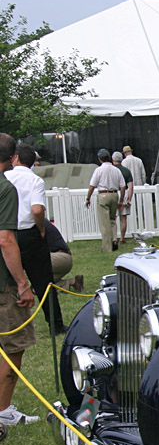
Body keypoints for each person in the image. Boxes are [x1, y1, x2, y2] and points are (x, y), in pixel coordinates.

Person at [0, 133, 39, 426]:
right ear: (13, 159)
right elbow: (5, 240)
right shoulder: (5, 188)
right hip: (3, 284)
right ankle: (3, 412)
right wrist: (23, 284)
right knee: (13, 346)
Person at [7, 144, 64, 333]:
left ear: (15, 158)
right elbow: (37, 209)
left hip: (8, 232)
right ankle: (55, 324)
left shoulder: (5, 178)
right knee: (43, 280)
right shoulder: (35, 180)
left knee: (8, 280)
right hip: (29, 232)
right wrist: (41, 229)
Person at [84, 149, 125, 252]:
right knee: (112, 220)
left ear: (99, 159)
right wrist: (121, 200)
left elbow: (92, 185)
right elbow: (123, 186)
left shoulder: (99, 170)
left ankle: (107, 247)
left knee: (104, 223)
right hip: (114, 194)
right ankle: (114, 239)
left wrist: (88, 198)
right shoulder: (116, 170)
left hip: (103, 195)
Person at [45, 220, 81, 292]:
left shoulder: (34, 224)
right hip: (62, 258)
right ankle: (73, 281)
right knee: (37, 288)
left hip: (58, 258)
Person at [112, 151, 134, 247]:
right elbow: (131, 186)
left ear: (113, 159)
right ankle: (122, 238)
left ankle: (114, 238)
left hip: (113, 193)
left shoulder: (111, 170)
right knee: (123, 218)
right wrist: (129, 198)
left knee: (113, 218)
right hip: (123, 193)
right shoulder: (126, 171)